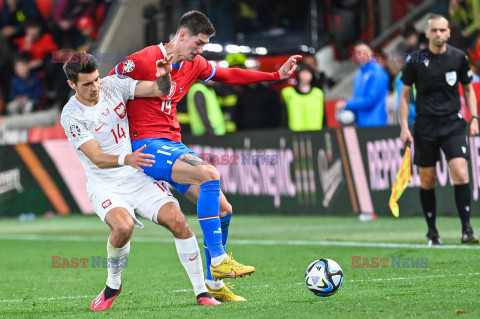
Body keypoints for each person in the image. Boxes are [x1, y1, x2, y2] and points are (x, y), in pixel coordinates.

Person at [109, 10, 300, 302]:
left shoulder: (194, 64)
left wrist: (275, 75)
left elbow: (229, 74)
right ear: (182, 35)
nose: (200, 50)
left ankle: (213, 284)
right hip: (147, 146)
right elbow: (106, 89)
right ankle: (219, 259)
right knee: (211, 174)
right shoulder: (143, 59)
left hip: (173, 145)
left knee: (224, 209)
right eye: (198, 43)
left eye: (204, 45)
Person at [60, 52, 221, 311]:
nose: (95, 88)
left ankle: (201, 291)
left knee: (179, 221)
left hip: (137, 173)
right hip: (105, 183)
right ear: (72, 85)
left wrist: (164, 74)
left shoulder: (114, 85)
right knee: (123, 228)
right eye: (86, 84)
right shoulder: (71, 115)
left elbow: (159, 90)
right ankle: (113, 284)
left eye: (96, 80)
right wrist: (128, 158)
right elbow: (98, 158)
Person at [400, 15, 480, 245]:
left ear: (448, 32)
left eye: (442, 30)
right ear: (427, 33)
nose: (438, 34)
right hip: (425, 125)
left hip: (452, 123)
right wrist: (405, 125)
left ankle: (466, 229)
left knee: (461, 173)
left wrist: (474, 118)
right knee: (427, 179)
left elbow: (468, 90)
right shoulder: (416, 60)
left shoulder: (458, 57)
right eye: (434, 30)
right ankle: (432, 232)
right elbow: (405, 96)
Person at [336, 41, 389, 127]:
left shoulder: (378, 72)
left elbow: (371, 100)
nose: (362, 54)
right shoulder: (358, 74)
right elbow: (358, 98)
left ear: (371, 52)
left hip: (376, 124)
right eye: (358, 52)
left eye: (364, 51)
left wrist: (346, 103)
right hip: (360, 124)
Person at [281, 62, 324, 131]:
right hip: (294, 133)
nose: (306, 75)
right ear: (298, 74)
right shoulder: (288, 93)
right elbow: (284, 115)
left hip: (316, 132)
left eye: (308, 72)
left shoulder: (318, 93)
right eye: (303, 72)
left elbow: (324, 115)